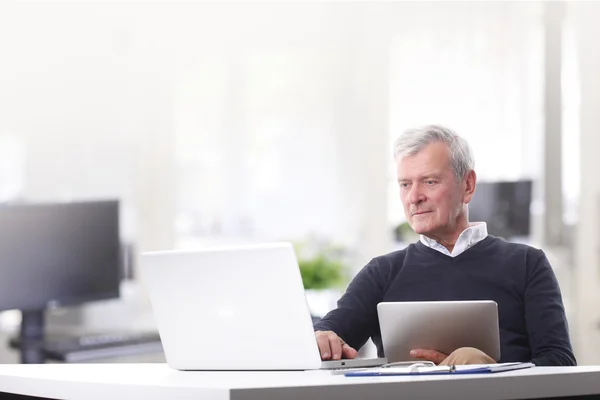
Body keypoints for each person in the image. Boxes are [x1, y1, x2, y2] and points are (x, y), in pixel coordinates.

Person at [313, 125, 576, 366]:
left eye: (429, 181)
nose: (413, 197)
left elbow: (560, 364)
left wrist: (492, 370)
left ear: (468, 186)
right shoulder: (382, 272)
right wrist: (320, 339)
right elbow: (327, 335)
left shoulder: (526, 264)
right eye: (405, 184)